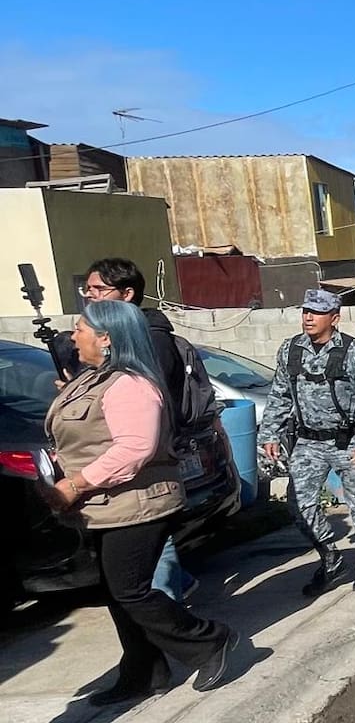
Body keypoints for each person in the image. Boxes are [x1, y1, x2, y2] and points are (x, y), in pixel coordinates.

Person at [42, 301, 237, 705]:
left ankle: (209, 640)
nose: (72, 337)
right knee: (117, 593)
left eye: (80, 329)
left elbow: (134, 449)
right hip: (105, 506)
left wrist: (75, 484)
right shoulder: (93, 380)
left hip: (139, 504)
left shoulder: (131, 385)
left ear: (106, 337)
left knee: (130, 591)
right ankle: (145, 672)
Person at [65, 258, 204, 602]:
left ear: (127, 294)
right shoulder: (114, 357)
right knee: (132, 581)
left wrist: (75, 483)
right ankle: (166, 604)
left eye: (99, 289)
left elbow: (140, 430)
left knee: (139, 582)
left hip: (143, 479)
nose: (91, 296)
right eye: (87, 289)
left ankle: (172, 614)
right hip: (118, 483)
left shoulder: (148, 344)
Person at [259, 290, 355, 595]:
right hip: (308, 442)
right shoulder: (290, 350)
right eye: (305, 311)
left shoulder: (352, 351)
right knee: (298, 505)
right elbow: (280, 394)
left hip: (349, 440)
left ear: (334, 318)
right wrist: (270, 433)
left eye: (316, 313)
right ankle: (331, 558)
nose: (308, 317)